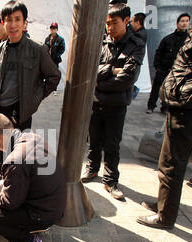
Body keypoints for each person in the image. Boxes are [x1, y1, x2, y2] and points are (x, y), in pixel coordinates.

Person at [137, 0, 192, 229]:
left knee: (173, 163)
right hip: (183, 107)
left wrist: (184, 91)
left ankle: (165, 217)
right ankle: (165, 205)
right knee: (168, 162)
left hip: (189, 110)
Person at [0, 113, 67, 242]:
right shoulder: (32, 137)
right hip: (54, 206)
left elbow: (9, 202)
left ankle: (27, 240)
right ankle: (36, 225)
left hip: (43, 214)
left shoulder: (15, 161)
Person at [81, 2, 145, 200]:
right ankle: (92, 169)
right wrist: (111, 70)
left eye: (113, 23)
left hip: (117, 105)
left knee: (112, 144)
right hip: (95, 102)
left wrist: (99, 81)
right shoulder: (102, 44)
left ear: (126, 21)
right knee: (93, 140)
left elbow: (127, 78)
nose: (109, 28)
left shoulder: (136, 45)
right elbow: (90, 72)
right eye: (107, 23)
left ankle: (110, 180)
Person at [0, 1, 60, 133]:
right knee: (0, 152)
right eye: (9, 20)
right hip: (0, 112)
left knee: (19, 152)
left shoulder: (37, 49)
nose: (13, 25)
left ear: (24, 22)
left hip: (20, 114)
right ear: (3, 22)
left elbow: (54, 76)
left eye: (17, 19)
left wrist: (34, 98)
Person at [146, 13, 190, 114]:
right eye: (182, 21)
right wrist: (157, 66)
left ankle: (165, 107)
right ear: (177, 23)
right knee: (156, 88)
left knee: (171, 91)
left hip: (178, 71)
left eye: (186, 21)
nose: (184, 24)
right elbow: (159, 53)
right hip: (163, 68)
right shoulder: (168, 39)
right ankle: (151, 106)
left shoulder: (189, 40)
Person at [44, 22, 65, 95]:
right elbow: (45, 48)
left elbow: (63, 49)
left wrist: (57, 55)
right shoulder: (47, 38)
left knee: (55, 74)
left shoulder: (60, 39)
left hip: (55, 60)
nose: (52, 30)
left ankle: (54, 89)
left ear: (57, 29)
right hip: (48, 60)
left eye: (54, 28)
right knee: (47, 73)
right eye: (51, 28)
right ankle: (46, 88)